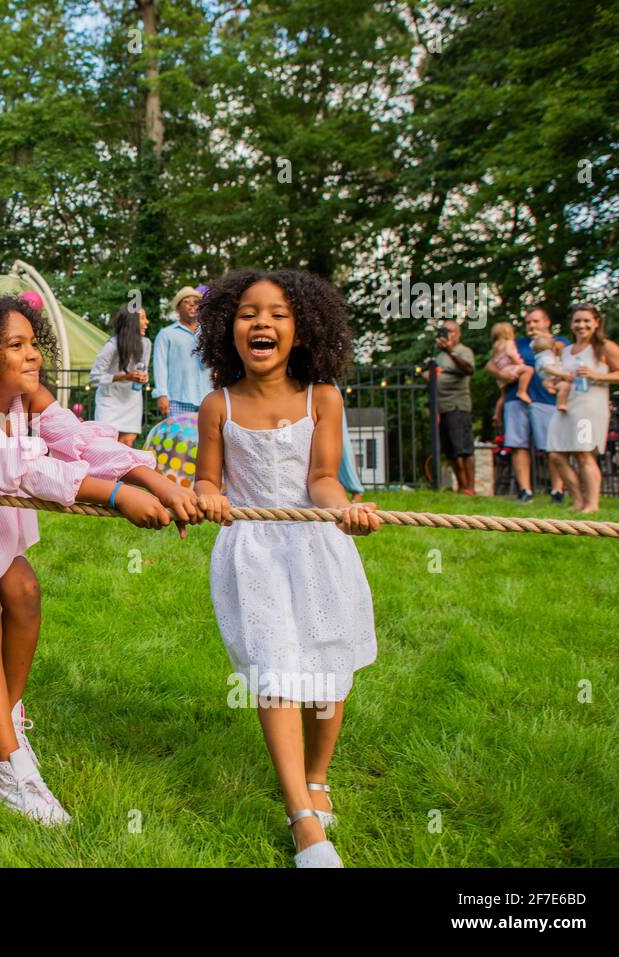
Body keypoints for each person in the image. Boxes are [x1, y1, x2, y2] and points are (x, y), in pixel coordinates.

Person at [0, 294, 199, 824]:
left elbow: (77, 441)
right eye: (15, 345)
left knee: (24, 593)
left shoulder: (29, 394)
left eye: (33, 343)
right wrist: (118, 497)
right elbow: (21, 473)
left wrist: (152, 478)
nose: (33, 356)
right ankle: (11, 774)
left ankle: (2, 717)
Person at [192, 268, 380, 868]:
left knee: (326, 666)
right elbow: (207, 478)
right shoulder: (216, 405)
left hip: (316, 544)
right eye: (248, 313)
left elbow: (322, 479)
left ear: (301, 330)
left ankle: (317, 775)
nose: (262, 322)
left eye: (277, 313)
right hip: (252, 552)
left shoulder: (321, 397)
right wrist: (207, 496)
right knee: (276, 670)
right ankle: (302, 817)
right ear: (228, 328)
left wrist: (344, 510)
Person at [546, 303, 619, 513]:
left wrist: (596, 375)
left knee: (584, 454)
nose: (581, 325)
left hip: (589, 407)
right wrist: (552, 384)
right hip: (566, 406)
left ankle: (592, 504)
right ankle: (577, 500)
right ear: (571, 324)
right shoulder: (566, 351)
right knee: (556, 455)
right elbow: (563, 376)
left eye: (586, 320)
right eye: (577, 321)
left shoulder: (604, 347)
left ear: (596, 323)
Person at [485, 307, 568, 503]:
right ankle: (525, 491)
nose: (531, 325)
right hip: (515, 399)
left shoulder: (560, 341)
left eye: (536, 321)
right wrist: (502, 374)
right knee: (517, 445)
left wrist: (544, 341)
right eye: (529, 322)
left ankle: (557, 491)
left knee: (552, 447)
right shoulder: (517, 342)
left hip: (546, 399)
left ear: (546, 322)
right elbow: (490, 364)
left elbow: (565, 357)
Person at [425, 319, 476, 494]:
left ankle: (470, 487)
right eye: (445, 331)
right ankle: (461, 486)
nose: (448, 334)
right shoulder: (439, 356)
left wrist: (450, 350)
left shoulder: (463, 351)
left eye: (451, 331)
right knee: (451, 450)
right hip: (442, 407)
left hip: (458, 405)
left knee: (463, 448)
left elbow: (469, 369)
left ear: (459, 333)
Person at [89, 305, 152, 445]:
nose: (147, 322)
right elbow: (94, 378)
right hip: (109, 401)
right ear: (131, 322)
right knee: (107, 444)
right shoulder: (112, 346)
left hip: (132, 400)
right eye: (142, 318)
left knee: (128, 443)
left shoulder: (146, 344)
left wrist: (142, 378)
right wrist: (124, 377)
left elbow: (143, 369)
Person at [153, 285, 212, 419]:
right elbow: (160, 366)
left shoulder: (209, 333)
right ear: (178, 308)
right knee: (179, 439)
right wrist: (162, 394)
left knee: (208, 438)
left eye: (196, 302)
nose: (192, 305)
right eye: (186, 302)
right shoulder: (166, 334)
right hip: (178, 399)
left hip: (208, 397)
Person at [487, 322, 535, 425]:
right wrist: (518, 362)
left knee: (503, 396)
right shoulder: (509, 342)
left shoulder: (496, 346)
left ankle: (497, 414)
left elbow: (493, 361)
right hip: (510, 368)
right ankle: (522, 391)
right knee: (528, 370)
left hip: (501, 376)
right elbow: (510, 354)